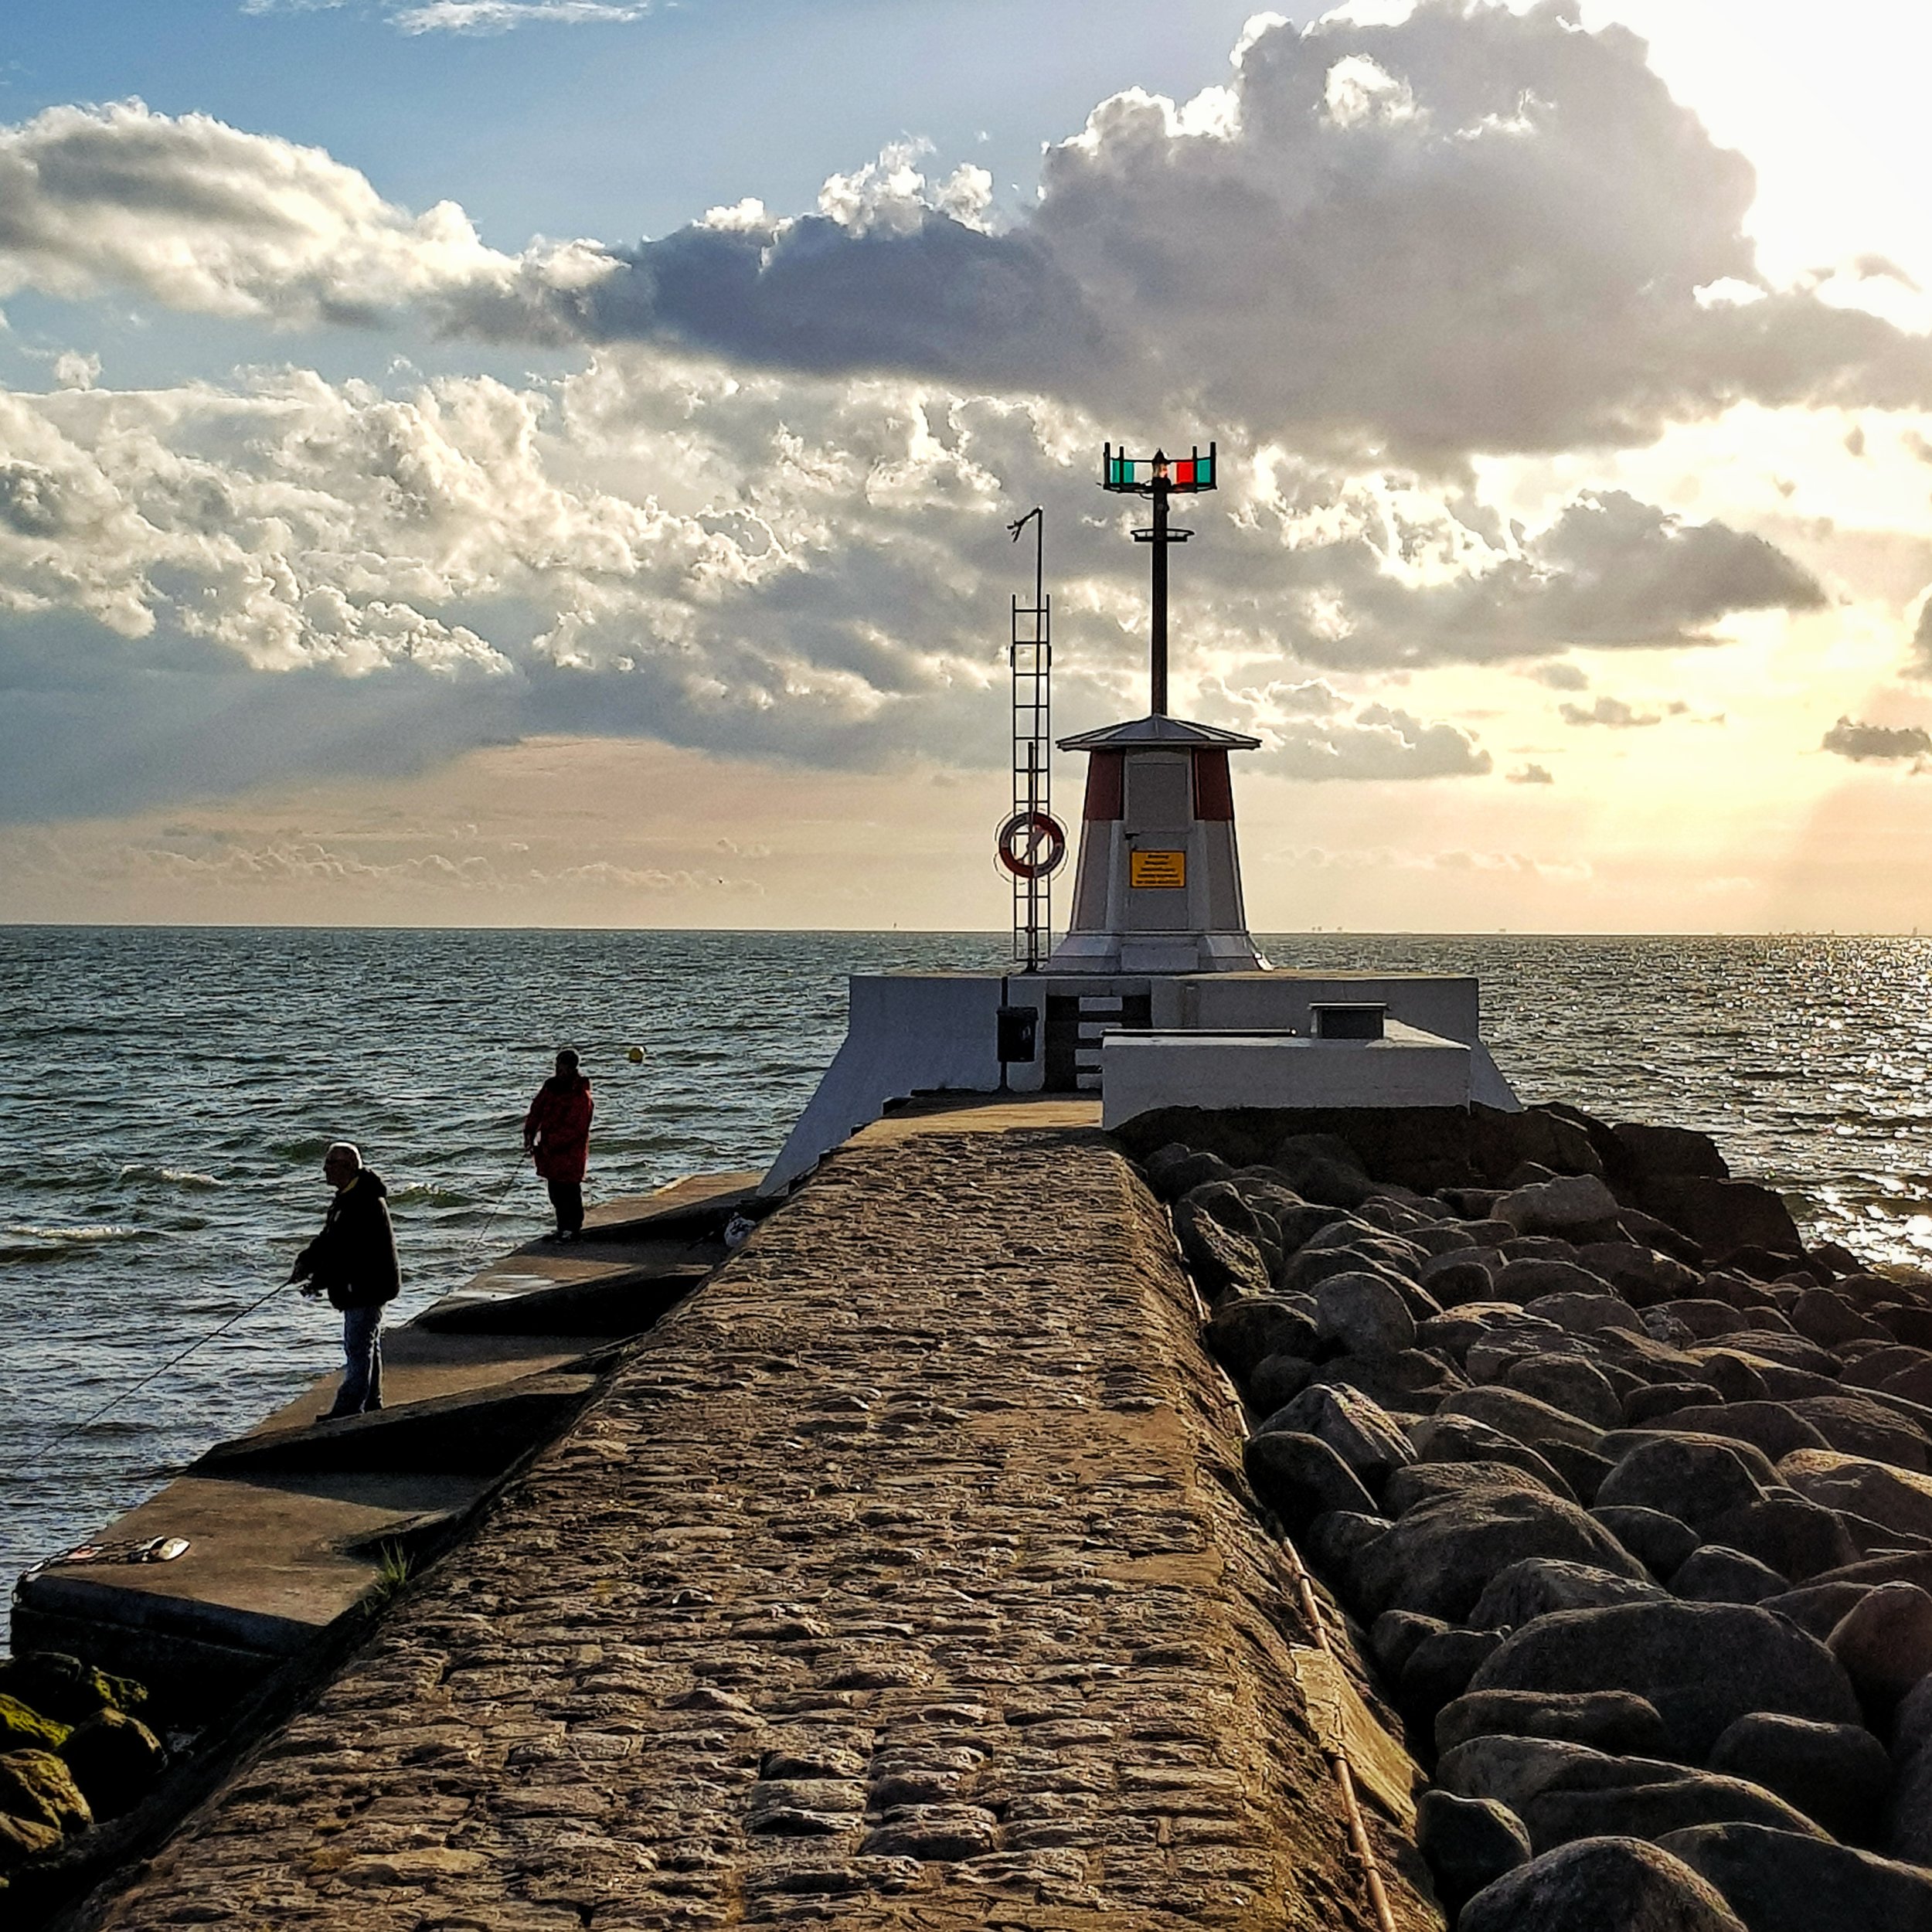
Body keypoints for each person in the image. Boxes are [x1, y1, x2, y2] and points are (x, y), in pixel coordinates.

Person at [287, 1141, 400, 1419]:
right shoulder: (348, 1196)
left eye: (331, 1163)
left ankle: (349, 1410)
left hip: (367, 1286)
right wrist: (306, 1261)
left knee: (358, 1349)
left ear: (348, 1167)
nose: (325, 1168)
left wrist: (318, 1280)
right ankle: (371, 1403)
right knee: (367, 1345)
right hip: (361, 1285)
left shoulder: (364, 1202)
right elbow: (330, 1240)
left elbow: (348, 1254)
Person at [523, 1048, 594, 1241]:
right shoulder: (550, 1087)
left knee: (570, 1190)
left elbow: (577, 1128)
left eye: (563, 1070)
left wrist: (553, 1143)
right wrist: (530, 1133)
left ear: (572, 1070)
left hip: (571, 1150)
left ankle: (573, 1229)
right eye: (557, 1069)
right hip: (550, 1150)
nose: (559, 1074)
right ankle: (562, 1227)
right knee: (555, 1191)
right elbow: (536, 1110)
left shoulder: (581, 1096)